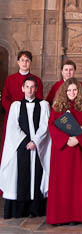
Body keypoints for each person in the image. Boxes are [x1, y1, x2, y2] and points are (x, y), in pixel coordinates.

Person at [0, 76, 51, 219]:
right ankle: (20, 210)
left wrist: (35, 141)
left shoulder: (44, 105)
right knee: (20, 176)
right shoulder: (15, 105)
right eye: (27, 87)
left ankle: (35, 209)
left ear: (36, 89)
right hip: (21, 147)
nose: (30, 90)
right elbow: (12, 126)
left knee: (37, 175)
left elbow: (44, 126)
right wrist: (25, 141)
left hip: (38, 148)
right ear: (22, 89)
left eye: (32, 87)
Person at [46, 78, 82, 225]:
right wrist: (65, 140)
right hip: (61, 151)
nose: (72, 93)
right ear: (64, 92)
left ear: (79, 91)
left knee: (76, 184)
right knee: (61, 184)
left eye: (74, 90)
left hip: (77, 152)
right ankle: (59, 217)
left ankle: (75, 216)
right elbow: (52, 127)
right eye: (69, 90)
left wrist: (79, 140)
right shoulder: (57, 108)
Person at [1, 51, 44, 161]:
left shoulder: (37, 80)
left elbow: (39, 99)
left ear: (30, 63)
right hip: (13, 117)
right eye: (22, 60)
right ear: (18, 62)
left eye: (27, 60)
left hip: (31, 118)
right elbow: (5, 99)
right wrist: (15, 112)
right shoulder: (10, 79)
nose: (24, 63)